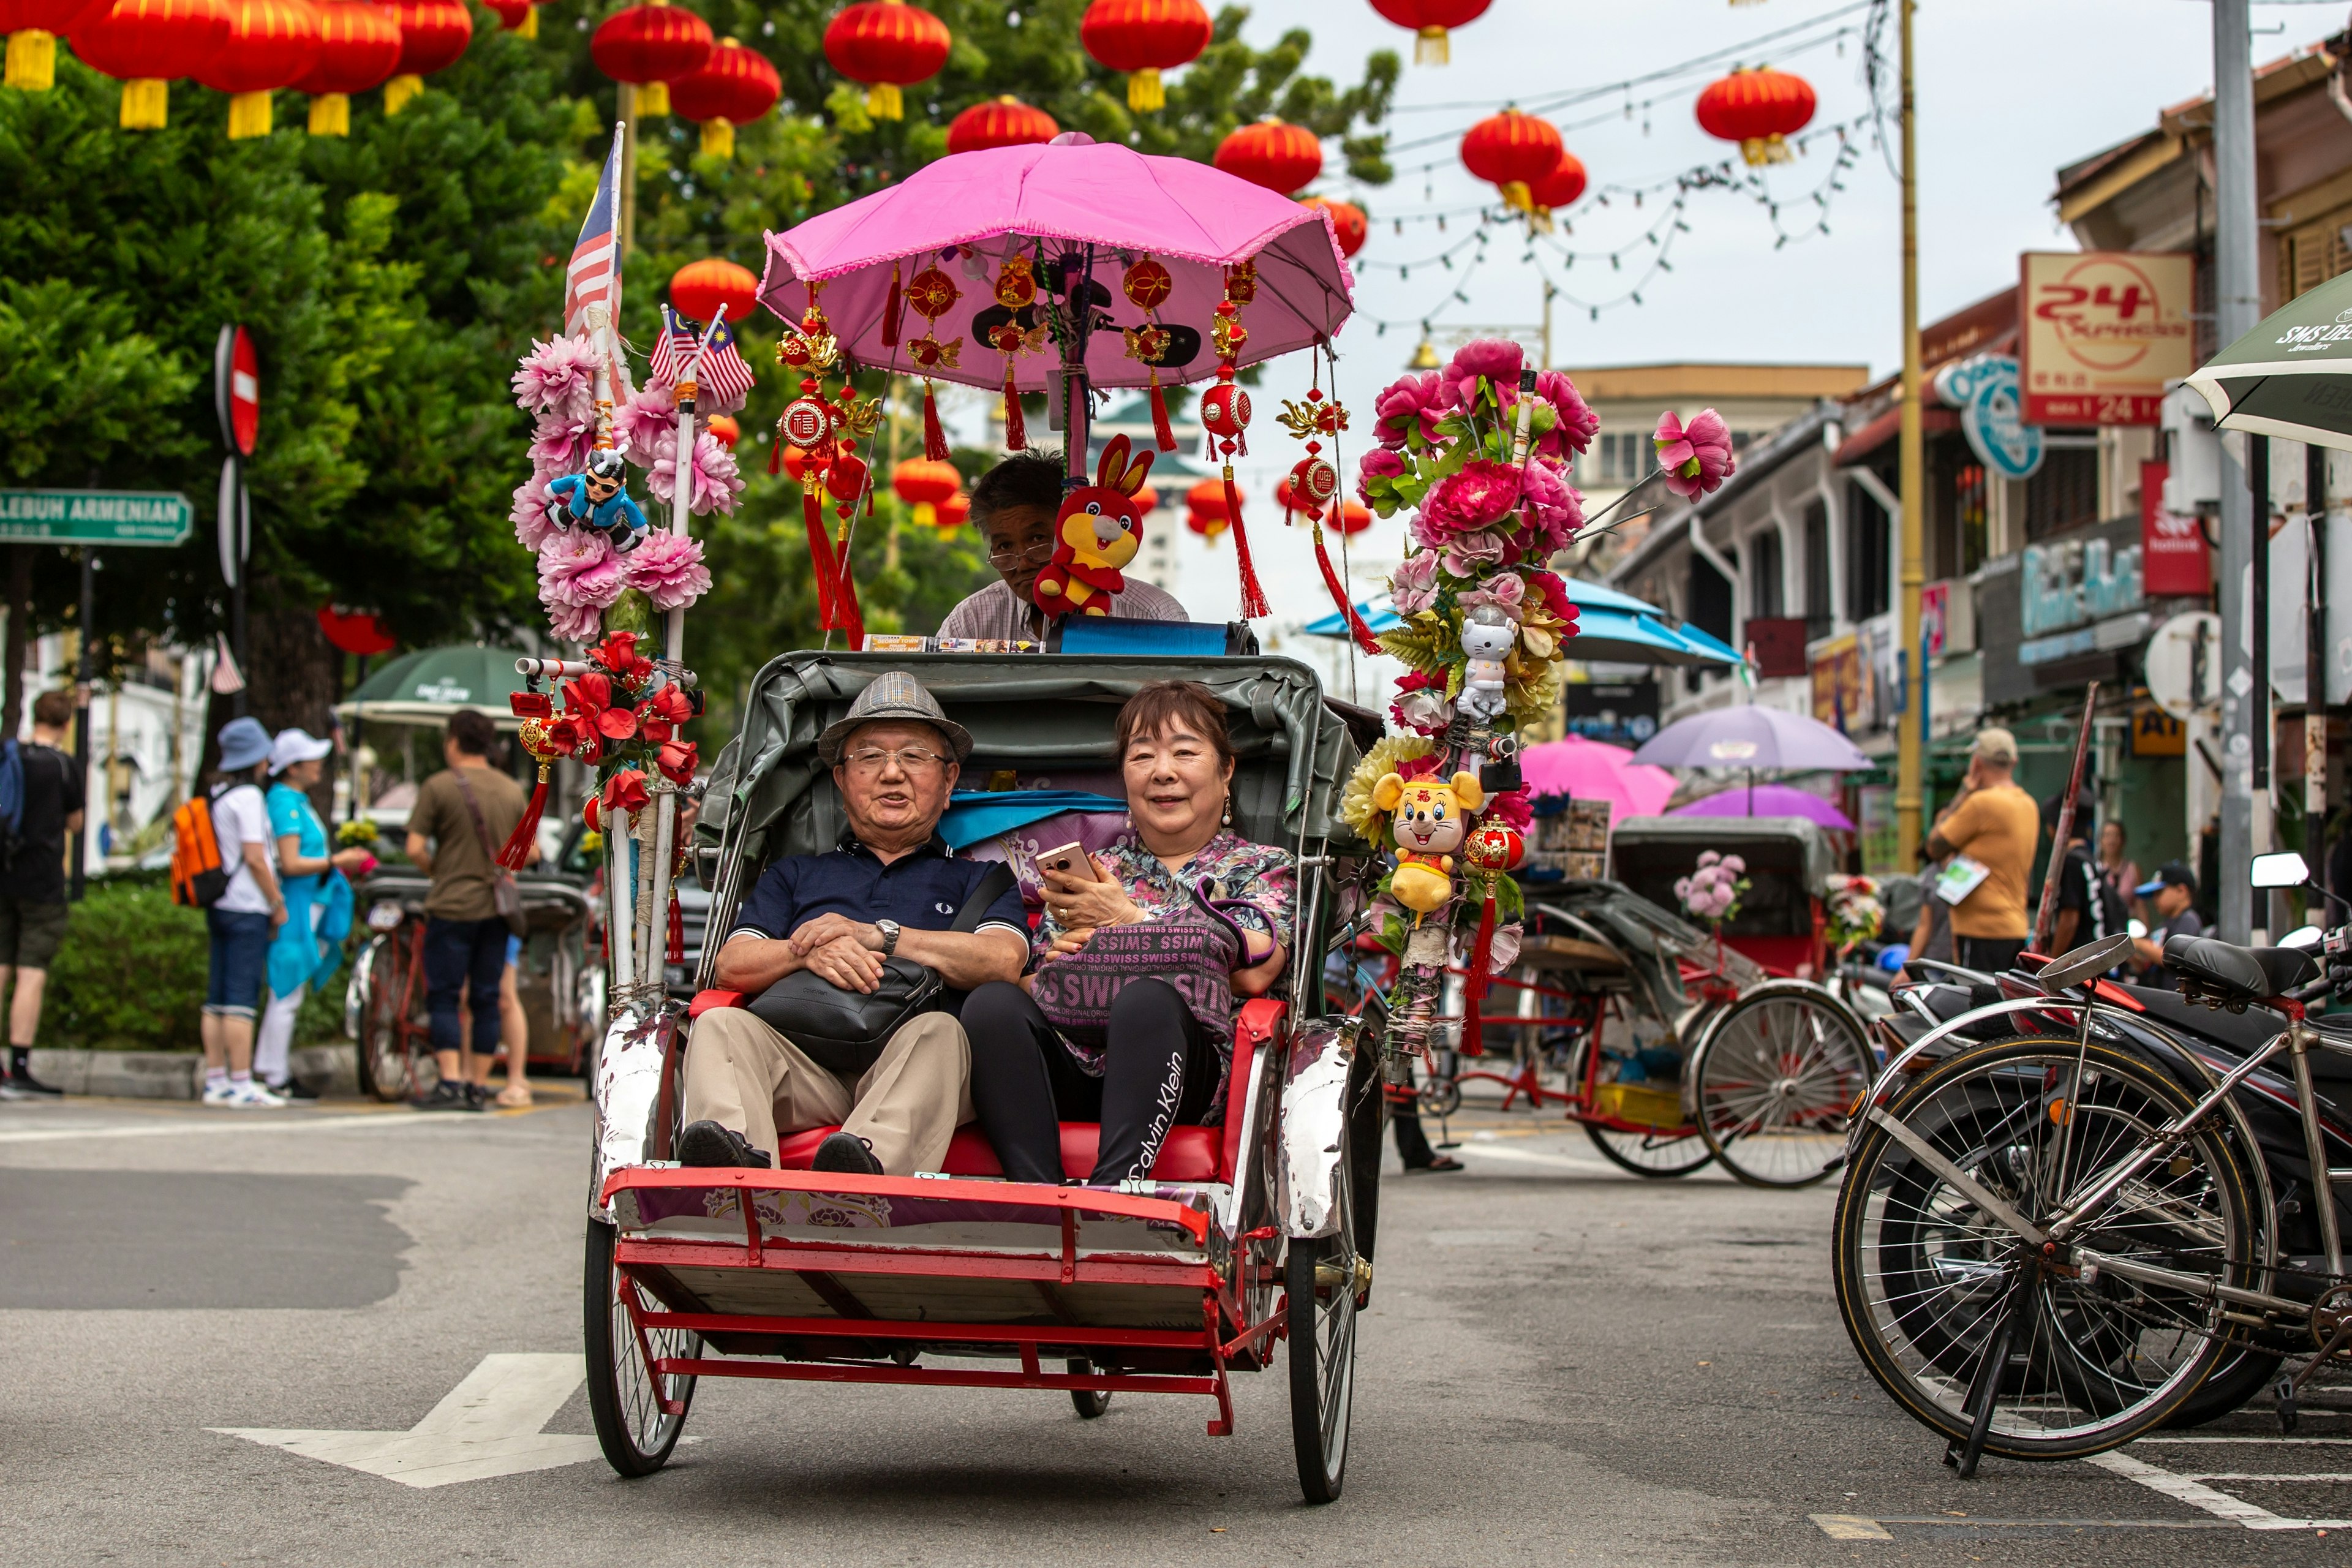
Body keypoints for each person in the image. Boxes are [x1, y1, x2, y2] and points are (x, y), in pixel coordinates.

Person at [678, 673, 1029, 1174]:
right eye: (869, 757)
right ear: (841, 781)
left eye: (913, 757)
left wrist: (880, 935)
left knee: (940, 1033)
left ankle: (858, 1179)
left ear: (949, 781)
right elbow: (731, 965)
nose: (892, 774)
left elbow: (1003, 963)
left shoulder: (982, 879)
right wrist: (807, 951)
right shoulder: (796, 873)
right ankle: (737, 1182)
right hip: (806, 1067)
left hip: (921, 1074)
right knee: (720, 1025)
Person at [965, 680, 1292, 1186]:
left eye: (1185, 752)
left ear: (1226, 771)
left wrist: (1129, 924)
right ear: (1125, 776)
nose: (1163, 772)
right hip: (1075, 1056)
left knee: (1148, 1000)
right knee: (991, 1004)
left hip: (1185, 1069)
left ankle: (1112, 1194)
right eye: (1143, 756)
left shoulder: (1260, 867)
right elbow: (1036, 981)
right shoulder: (1095, 870)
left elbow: (1257, 973)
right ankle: (1039, 1196)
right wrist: (1056, 965)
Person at [404, 710, 530, 1112]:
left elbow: (414, 848)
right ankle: (478, 1086)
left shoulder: (439, 786)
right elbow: (523, 852)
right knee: (487, 997)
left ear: (454, 741)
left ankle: (450, 1082)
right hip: (496, 910)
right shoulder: (512, 789)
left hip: (451, 906)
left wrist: (440, 871)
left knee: (443, 996)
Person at [938, 449, 1186, 641]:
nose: (1023, 563)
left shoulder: (1153, 616)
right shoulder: (971, 621)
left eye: (1038, 539)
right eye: (1004, 546)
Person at [255, 729, 371, 1099]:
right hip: (296, 908)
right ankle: (273, 1073)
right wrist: (338, 861)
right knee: (286, 989)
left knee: (289, 990)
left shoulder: (294, 800)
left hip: (307, 905)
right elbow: (289, 863)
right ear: (294, 767)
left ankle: (274, 1069)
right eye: (312, 759)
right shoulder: (284, 803)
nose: (319, 764)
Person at [0, 690, 85, 1100]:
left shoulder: (9, 755)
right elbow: (75, 820)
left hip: (3, 872)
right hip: (43, 877)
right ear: (66, 724)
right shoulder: (63, 766)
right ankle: (18, 1065)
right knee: (30, 972)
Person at [200, 716, 288, 1107]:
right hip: (247, 905)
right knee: (240, 998)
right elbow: (255, 857)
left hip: (219, 902)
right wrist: (276, 902)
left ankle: (215, 1078)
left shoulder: (220, 794)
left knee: (216, 997)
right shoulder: (250, 798)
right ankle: (241, 1082)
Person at [1923, 728, 2039, 974]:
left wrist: (1963, 792)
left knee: (1980, 1009)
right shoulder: (2028, 804)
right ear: (2014, 762)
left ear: (1976, 763)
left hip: (1981, 930)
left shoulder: (1981, 803)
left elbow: (1934, 845)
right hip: (2014, 926)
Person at [2046, 791, 2127, 960]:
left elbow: (2069, 920)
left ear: (2055, 827)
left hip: (2079, 962)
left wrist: (2052, 961)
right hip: (2096, 957)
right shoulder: (2088, 860)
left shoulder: (2071, 862)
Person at [2130, 862, 2204, 990]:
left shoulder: (2188, 920)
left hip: (2175, 1000)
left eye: (2159, 893)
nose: (2155, 899)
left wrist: (2141, 944)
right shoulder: (2163, 926)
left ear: (2181, 891)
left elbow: (2175, 958)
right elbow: (2151, 965)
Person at [2097, 819, 2141, 907]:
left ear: (2123, 840)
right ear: (2101, 841)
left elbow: (2140, 904)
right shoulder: (2095, 869)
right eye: (2107, 835)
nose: (2111, 841)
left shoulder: (2133, 869)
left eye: (2116, 835)